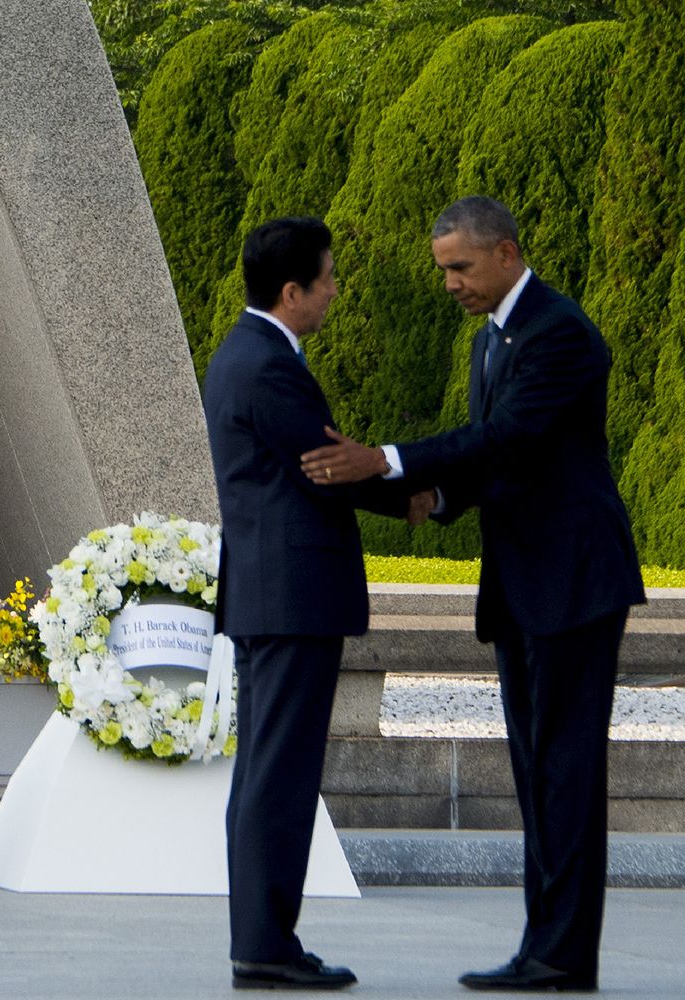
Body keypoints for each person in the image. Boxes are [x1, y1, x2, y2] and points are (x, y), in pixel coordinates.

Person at [300, 195, 645, 992]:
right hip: (525, 583)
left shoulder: (558, 331)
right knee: (537, 771)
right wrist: (438, 500)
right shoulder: (489, 343)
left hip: (574, 583)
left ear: (507, 254)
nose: (450, 284)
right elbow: (499, 465)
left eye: (460, 267)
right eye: (443, 270)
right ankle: (543, 949)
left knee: (565, 770)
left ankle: (562, 956)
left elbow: (508, 436)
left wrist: (385, 460)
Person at [203, 216, 433, 991]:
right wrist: (415, 493)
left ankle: (262, 939)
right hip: (291, 596)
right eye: (328, 279)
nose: (336, 290)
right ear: (292, 291)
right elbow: (327, 466)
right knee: (280, 773)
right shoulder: (269, 365)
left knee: (269, 770)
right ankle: (265, 946)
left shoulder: (249, 354)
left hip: (272, 595)